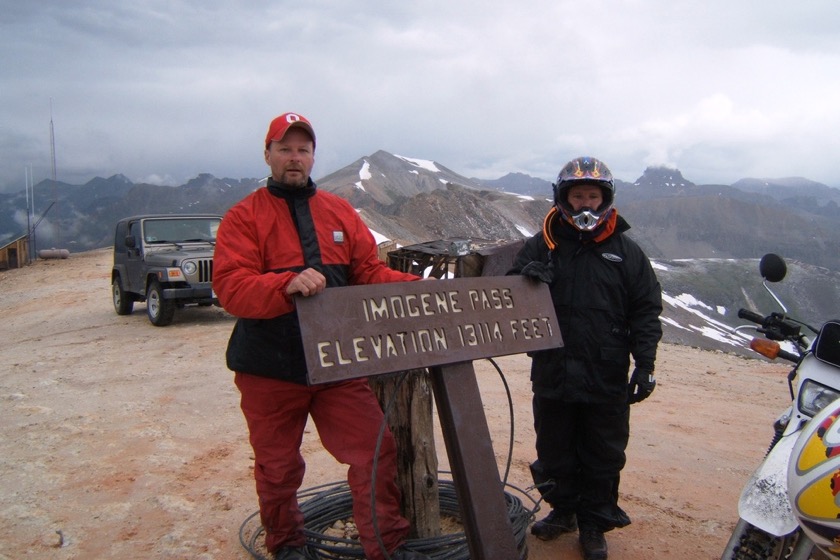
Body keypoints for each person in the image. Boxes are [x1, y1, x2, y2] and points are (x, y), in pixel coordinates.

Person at [213, 112, 430, 560]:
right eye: (285, 148)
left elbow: (367, 273)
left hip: (337, 363)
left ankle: (386, 547)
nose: (295, 158)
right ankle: (287, 544)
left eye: (303, 149)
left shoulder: (339, 212)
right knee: (277, 467)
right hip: (269, 368)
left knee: (376, 450)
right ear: (268, 154)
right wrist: (283, 285)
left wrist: (417, 289)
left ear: (313, 156)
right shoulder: (244, 217)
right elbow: (231, 288)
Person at [507, 156, 662, 560]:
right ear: (563, 199)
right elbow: (505, 294)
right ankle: (563, 511)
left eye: (593, 195)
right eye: (578, 196)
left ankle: (594, 524)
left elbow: (645, 310)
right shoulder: (543, 243)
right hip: (553, 369)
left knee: (602, 450)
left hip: (606, 372)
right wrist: (527, 279)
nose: (586, 205)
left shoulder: (626, 253)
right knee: (555, 445)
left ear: (606, 198)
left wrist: (645, 365)